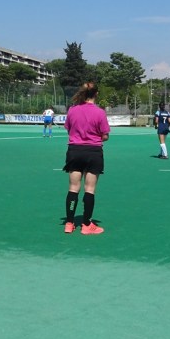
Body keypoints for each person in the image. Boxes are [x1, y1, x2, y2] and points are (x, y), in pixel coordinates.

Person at [62, 82, 110, 235]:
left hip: (74, 151)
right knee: (89, 189)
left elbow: (69, 130)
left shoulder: (72, 110)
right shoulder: (100, 112)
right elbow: (105, 136)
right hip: (93, 152)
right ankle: (86, 224)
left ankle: (69, 223)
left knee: (73, 188)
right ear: (96, 94)